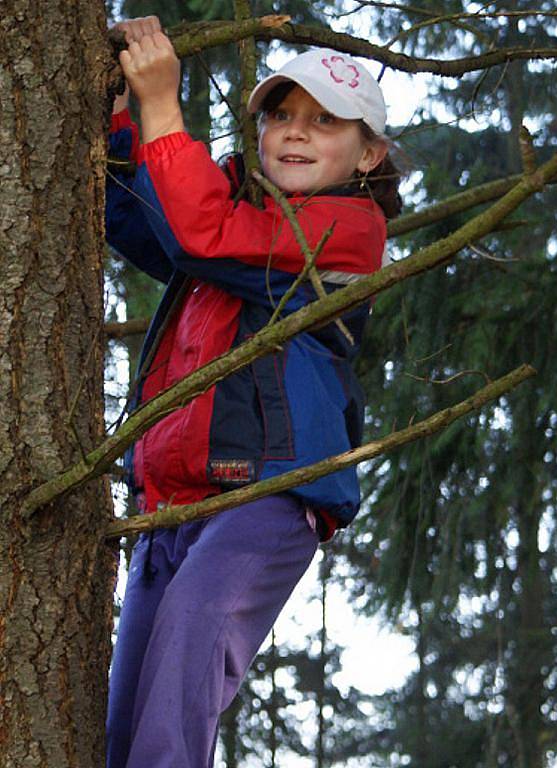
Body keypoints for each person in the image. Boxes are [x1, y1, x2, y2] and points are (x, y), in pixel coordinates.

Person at [105, 15, 401, 768]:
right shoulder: (241, 215)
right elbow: (142, 221)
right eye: (281, 115)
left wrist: (162, 105)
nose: (295, 134)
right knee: (120, 727)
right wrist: (111, 110)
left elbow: (202, 234)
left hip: (265, 497)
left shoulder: (348, 230)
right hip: (170, 505)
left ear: (369, 153)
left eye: (326, 122)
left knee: (173, 709)